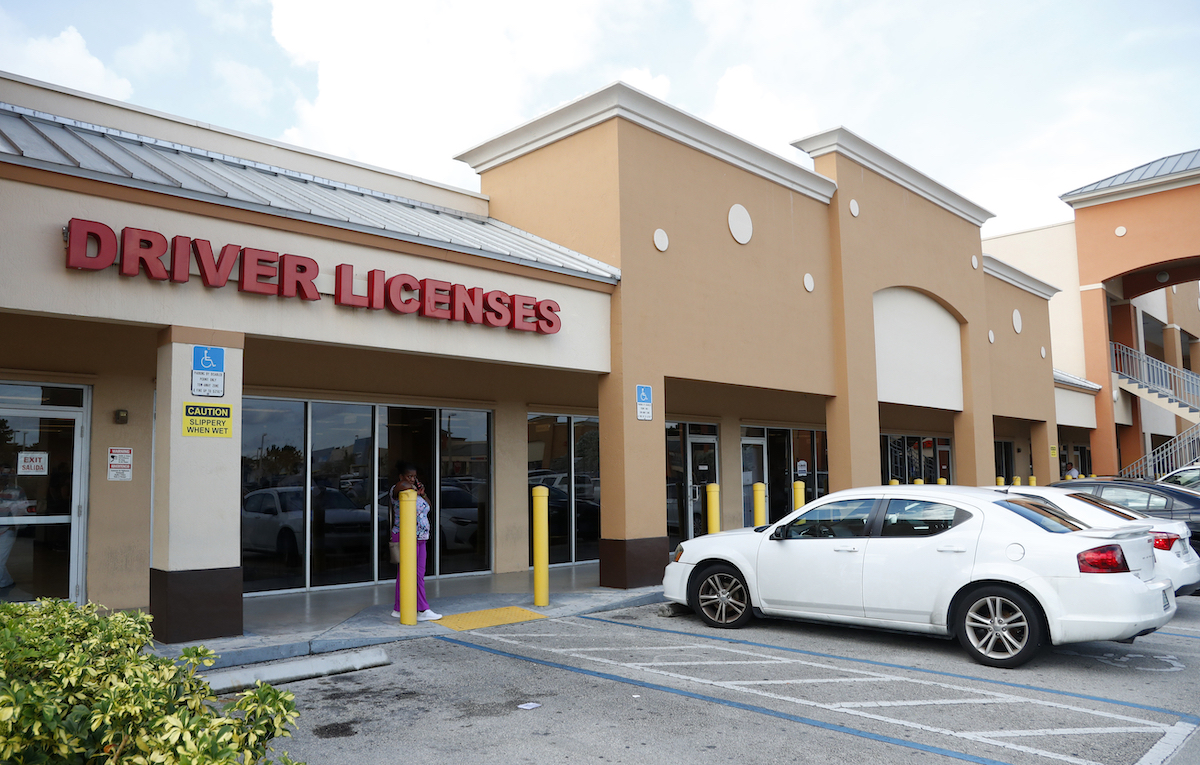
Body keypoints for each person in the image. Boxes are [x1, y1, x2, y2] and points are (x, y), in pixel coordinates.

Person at [391, 462, 441, 622]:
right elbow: (403, 485)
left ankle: (400, 608)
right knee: (408, 574)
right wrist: (412, 486)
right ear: (401, 476)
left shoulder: (414, 491)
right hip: (406, 537)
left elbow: (429, 506)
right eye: (409, 476)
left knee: (416, 574)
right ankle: (422, 608)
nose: (412, 479)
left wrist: (422, 493)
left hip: (420, 538)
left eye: (414, 476)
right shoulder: (398, 489)